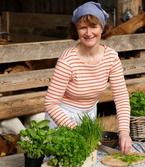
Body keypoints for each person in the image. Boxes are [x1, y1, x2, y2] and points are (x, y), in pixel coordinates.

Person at [44, 1, 132, 154]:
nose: (88, 32)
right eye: (83, 27)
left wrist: (124, 132)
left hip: (88, 117)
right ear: (76, 30)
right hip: (62, 119)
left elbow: (121, 97)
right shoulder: (68, 60)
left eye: (93, 26)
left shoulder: (111, 57)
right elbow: (51, 104)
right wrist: (76, 130)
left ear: (102, 28)